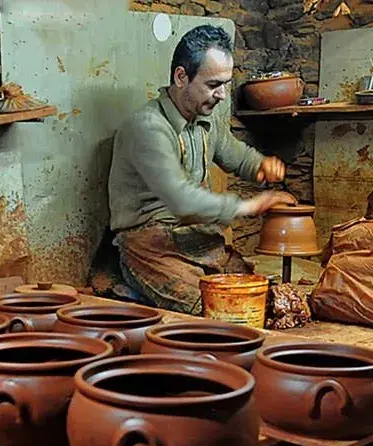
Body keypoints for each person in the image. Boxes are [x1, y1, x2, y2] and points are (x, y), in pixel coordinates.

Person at [107, 24, 296, 314]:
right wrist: (248, 207)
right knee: (211, 308)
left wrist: (260, 165)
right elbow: (181, 200)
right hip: (149, 244)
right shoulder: (148, 128)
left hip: (195, 237)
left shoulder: (205, 118)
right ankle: (132, 289)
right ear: (181, 77)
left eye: (225, 84)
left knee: (259, 296)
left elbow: (236, 155)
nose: (221, 95)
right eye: (212, 85)